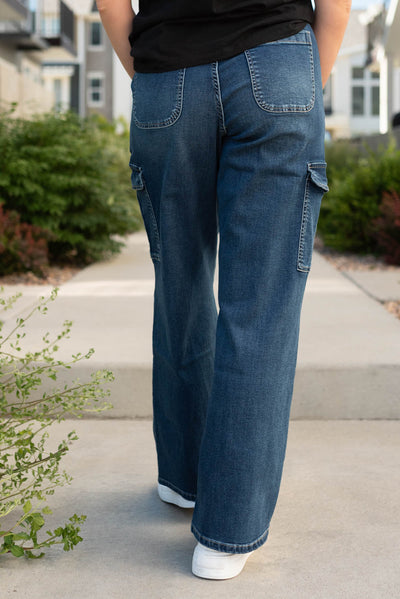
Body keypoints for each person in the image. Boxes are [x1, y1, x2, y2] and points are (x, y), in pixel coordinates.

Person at [97, 0, 351, 581]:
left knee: (180, 286)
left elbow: (111, 2)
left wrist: (156, 78)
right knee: (259, 308)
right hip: (277, 58)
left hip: (167, 70)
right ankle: (227, 535)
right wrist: (302, 84)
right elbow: (336, 5)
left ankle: (185, 479)